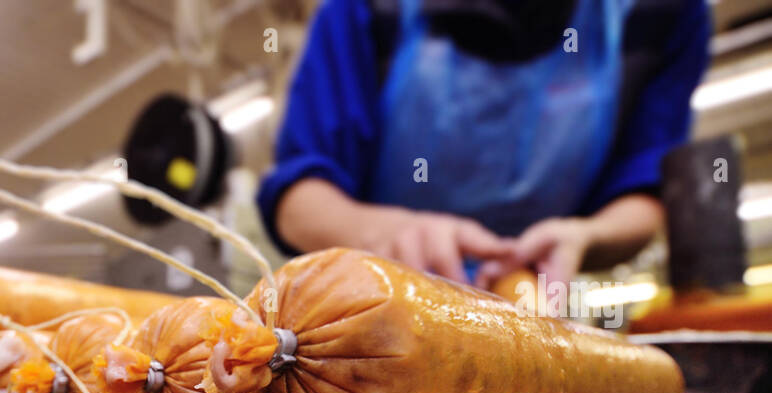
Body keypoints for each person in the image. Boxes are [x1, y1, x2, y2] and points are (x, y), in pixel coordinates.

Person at [258, 0, 711, 287]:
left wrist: (586, 237)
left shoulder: (665, 15)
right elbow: (298, 197)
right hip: (373, 314)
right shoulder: (365, 9)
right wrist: (387, 234)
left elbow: (644, 188)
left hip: (537, 316)